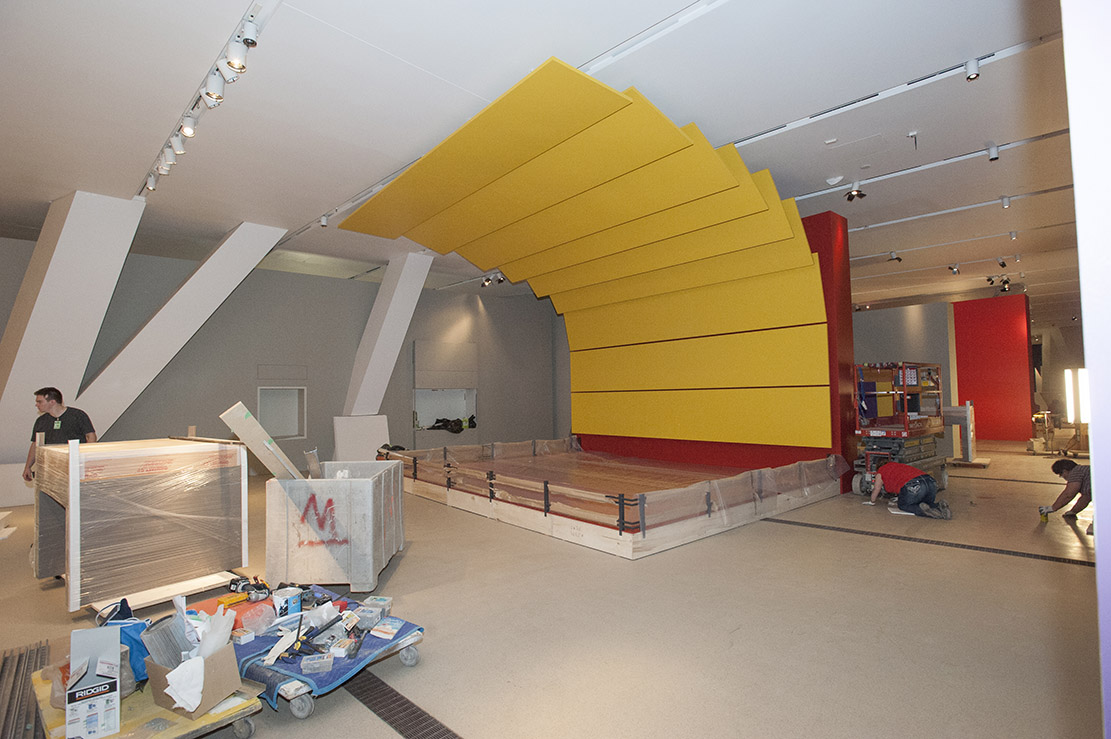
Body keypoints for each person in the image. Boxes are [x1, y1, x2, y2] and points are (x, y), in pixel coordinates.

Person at [22, 387, 96, 482]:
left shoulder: (77, 415)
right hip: (50, 469)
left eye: (40, 402)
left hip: (74, 466)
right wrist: (28, 466)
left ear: (52, 402)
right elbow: (35, 444)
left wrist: (88, 460)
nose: (37, 405)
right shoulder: (41, 421)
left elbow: (91, 437)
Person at [867, 461, 951, 519]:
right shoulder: (899, 465)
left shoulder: (882, 470)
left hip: (915, 485)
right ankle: (939, 506)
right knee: (927, 503)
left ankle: (922, 511)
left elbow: (876, 488)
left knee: (903, 505)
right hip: (930, 482)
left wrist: (872, 501)